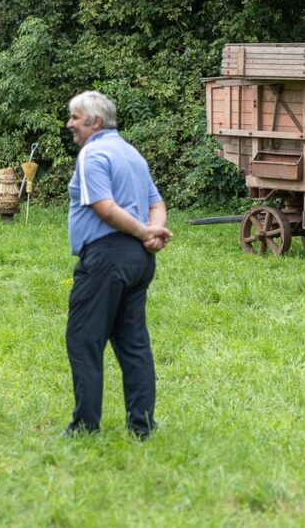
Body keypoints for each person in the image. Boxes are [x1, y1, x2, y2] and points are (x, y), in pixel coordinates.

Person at [64, 91, 171, 439]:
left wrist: (144, 231)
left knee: (84, 340)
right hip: (138, 261)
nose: (70, 124)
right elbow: (157, 201)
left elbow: (103, 207)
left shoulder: (92, 153)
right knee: (133, 343)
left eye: (75, 118)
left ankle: (85, 426)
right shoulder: (131, 153)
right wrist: (152, 234)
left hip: (106, 258)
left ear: (94, 122)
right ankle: (142, 426)